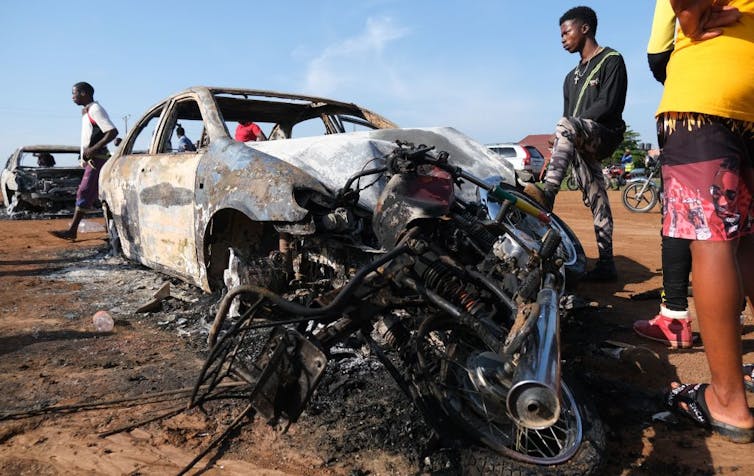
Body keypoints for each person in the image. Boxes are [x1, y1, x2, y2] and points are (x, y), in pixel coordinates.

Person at [657, 0, 753, 444]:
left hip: (708, 91)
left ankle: (728, 400)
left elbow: (672, 31)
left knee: (712, 240)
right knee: (749, 240)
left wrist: (691, 15)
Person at [525, 6, 627, 281]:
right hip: (579, 139)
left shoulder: (612, 60)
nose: (562, 38)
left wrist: (568, 127)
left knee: (566, 125)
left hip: (603, 135)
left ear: (584, 29)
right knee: (598, 200)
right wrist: (564, 133)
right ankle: (607, 265)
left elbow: (609, 104)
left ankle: (548, 193)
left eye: (565, 32)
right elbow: (568, 116)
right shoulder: (570, 78)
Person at [50, 82, 118, 241]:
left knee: (84, 192)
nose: (72, 97)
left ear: (84, 93)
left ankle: (72, 231)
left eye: (74, 93)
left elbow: (112, 132)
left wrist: (92, 150)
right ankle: (109, 231)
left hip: (97, 159)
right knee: (98, 195)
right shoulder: (89, 110)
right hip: (94, 159)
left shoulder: (95, 109)